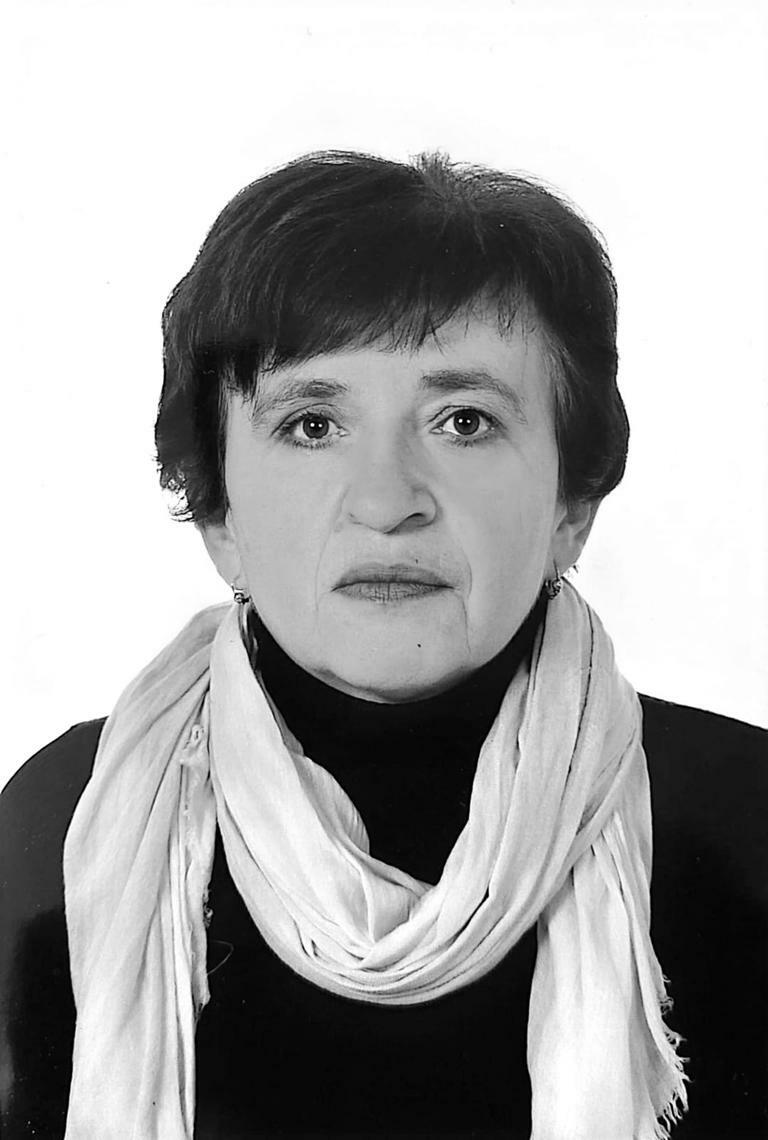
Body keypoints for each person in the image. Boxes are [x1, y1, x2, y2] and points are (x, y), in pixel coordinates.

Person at [0, 151, 765, 1140]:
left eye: (463, 421)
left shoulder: (744, 823)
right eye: (312, 423)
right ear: (219, 511)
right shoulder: (62, 825)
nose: (386, 500)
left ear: (572, 505)